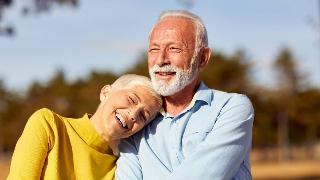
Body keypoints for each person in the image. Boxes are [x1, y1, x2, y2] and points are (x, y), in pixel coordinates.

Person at [116, 10, 254, 180]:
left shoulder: (231, 107)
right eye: (154, 49)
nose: (161, 60)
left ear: (202, 58)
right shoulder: (137, 122)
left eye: (174, 49)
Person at [7, 74, 162, 180]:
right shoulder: (49, 125)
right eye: (131, 99)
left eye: (143, 116)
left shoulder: (120, 170)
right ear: (106, 93)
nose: (134, 114)